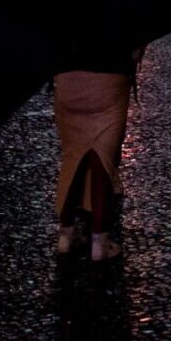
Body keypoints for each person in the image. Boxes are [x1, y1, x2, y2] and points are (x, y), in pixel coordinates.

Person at [52, 43, 139, 262]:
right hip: (110, 75)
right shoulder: (119, 7)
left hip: (67, 76)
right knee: (101, 158)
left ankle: (66, 234)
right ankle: (99, 241)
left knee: (72, 156)